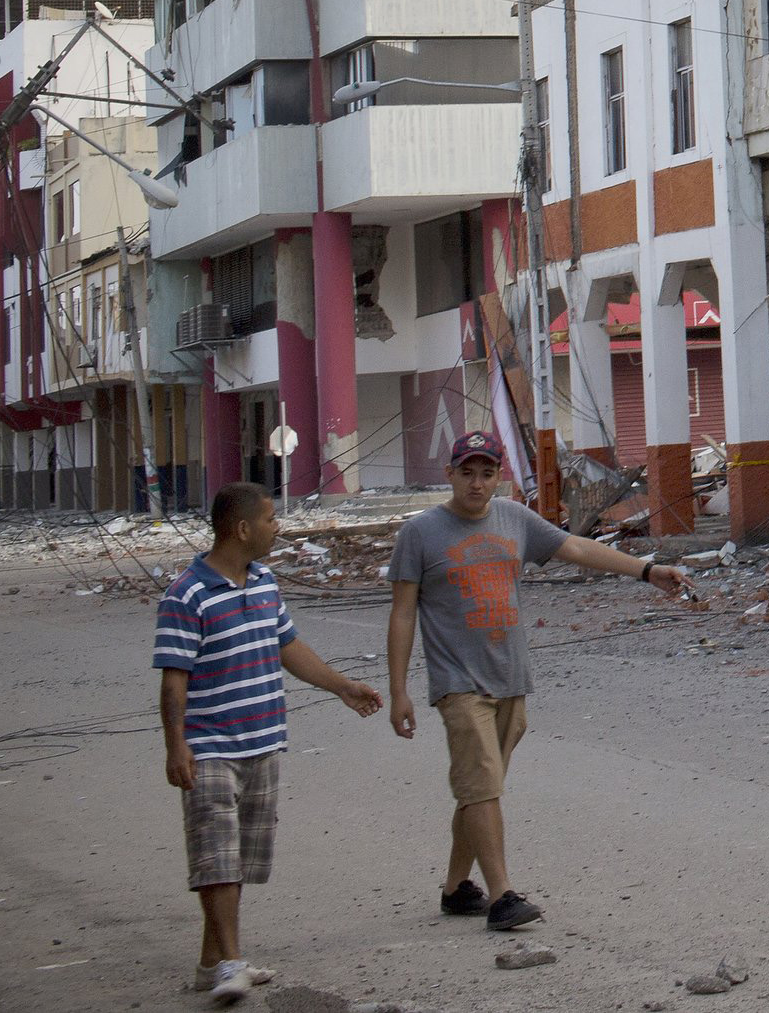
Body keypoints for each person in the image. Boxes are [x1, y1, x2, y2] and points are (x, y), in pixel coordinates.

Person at [384, 431, 694, 933]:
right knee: (482, 784)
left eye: (487, 474)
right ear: (450, 474)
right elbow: (402, 614)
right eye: (467, 473)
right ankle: (503, 895)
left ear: (498, 476)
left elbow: (572, 546)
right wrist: (399, 690)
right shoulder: (420, 533)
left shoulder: (513, 517)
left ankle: (457, 887)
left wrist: (645, 570)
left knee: (480, 789)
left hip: (510, 678)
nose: (477, 484)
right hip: (458, 683)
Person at [155, 481, 383, 1006]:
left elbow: (289, 647)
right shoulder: (187, 594)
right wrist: (176, 747)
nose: (277, 527)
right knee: (217, 857)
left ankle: (212, 962)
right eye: (270, 519)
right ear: (241, 529)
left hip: (263, 742)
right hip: (209, 745)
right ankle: (231, 964)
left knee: (239, 860)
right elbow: (173, 681)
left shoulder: (264, 583)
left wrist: (343, 687)